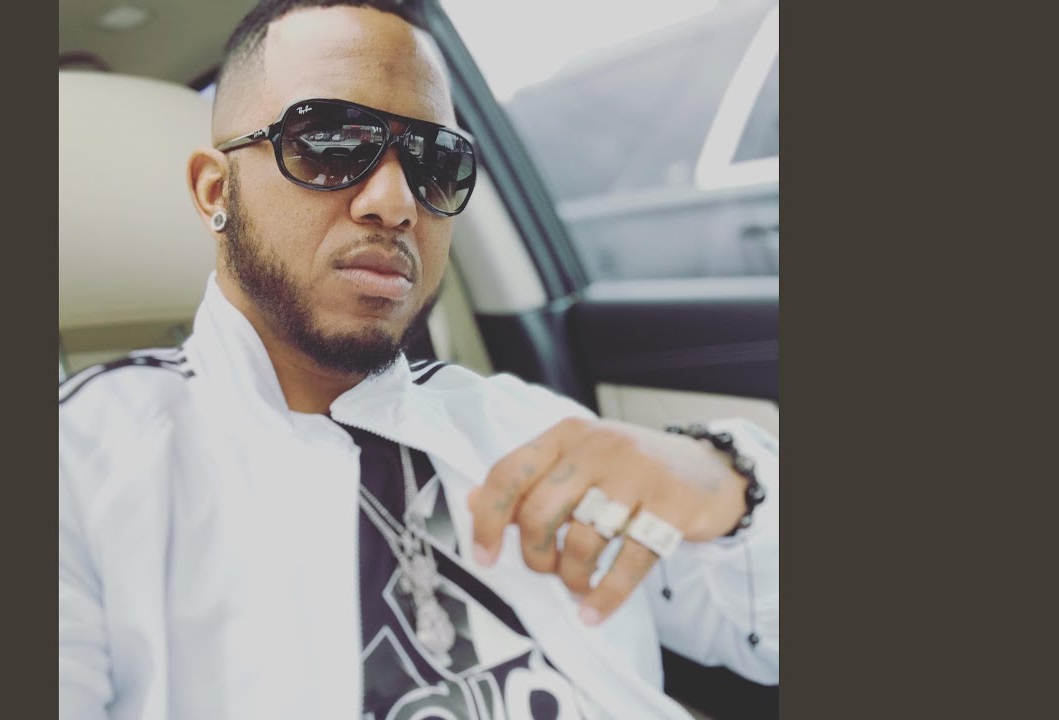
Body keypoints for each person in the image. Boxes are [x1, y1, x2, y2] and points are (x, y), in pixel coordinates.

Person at [58, 2, 779, 718]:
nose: (395, 202)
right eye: (332, 142)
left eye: (437, 162)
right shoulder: (85, 464)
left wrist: (729, 486)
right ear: (215, 191)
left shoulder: (522, 427)